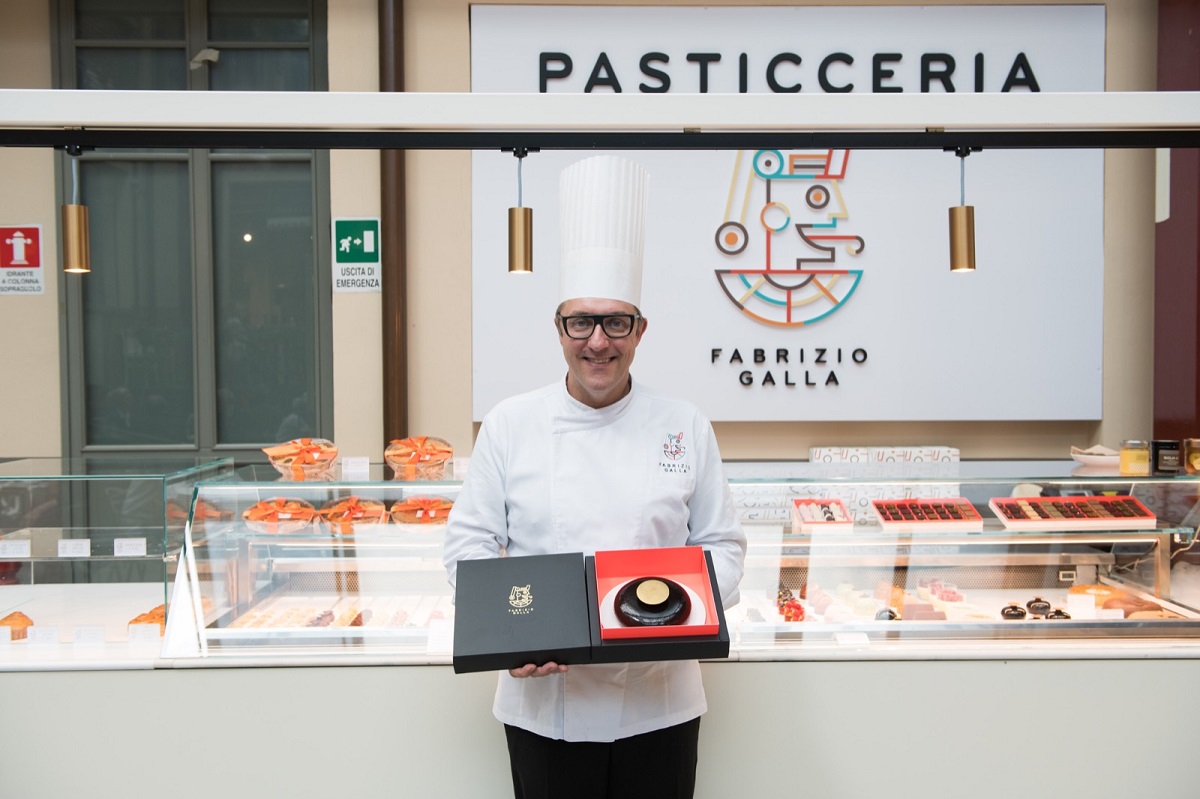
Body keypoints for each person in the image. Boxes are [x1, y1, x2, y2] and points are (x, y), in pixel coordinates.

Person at [443, 155, 746, 799]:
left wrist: (675, 615)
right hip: (543, 705)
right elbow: (468, 548)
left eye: (616, 322)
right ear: (559, 329)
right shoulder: (509, 423)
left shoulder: (684, 424)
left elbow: (722, 547)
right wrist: (510, 634)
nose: (598, 342)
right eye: (581, 321)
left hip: (660, 704)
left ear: (640, 330)